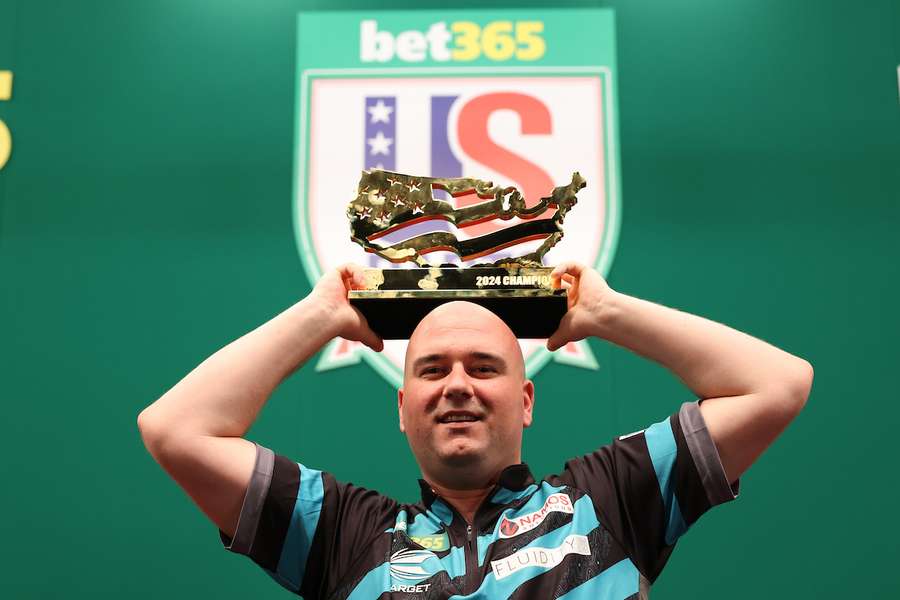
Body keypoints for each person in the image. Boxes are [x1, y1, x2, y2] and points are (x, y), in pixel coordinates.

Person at [138, 262, 813, 599]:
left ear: (525, 401)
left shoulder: (609, 498)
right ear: (402, 407)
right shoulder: (341, 532)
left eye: (483, 367)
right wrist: (322, 315)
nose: (457, 383)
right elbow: (175, 429)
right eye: (432, 369)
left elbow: (777, 384)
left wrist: (605, 311)